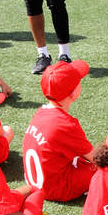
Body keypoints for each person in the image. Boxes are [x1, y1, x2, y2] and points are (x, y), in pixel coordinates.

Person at [22, 58, 95, 202]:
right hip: (56, 189)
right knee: (104, 169)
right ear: (73, 93)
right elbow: (96, 158)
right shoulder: (65, 124)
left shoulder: (41, 112)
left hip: (37, 182)